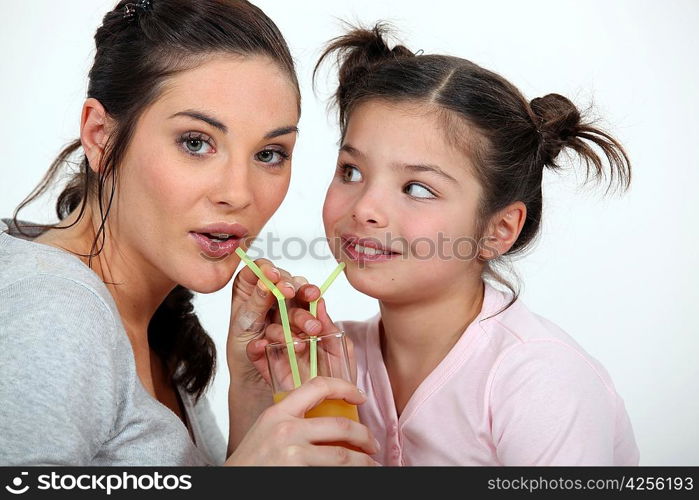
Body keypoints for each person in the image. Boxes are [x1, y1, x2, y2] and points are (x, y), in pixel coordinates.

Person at [0, 0, 379, 466]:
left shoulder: (153, 318)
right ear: (100, 136)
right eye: (196, 142)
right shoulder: (53, 312)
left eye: (269, 154)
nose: (238, 193)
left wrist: (250, 387)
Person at [252, 24, 640, 465]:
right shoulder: (333, 362)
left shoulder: (538, 380)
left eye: (417, 188)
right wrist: (267, 394)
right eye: (352, 172)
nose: (365, 209)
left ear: (499, 230)